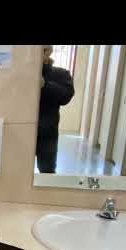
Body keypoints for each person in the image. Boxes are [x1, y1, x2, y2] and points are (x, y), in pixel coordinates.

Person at [37, 45, 75, 173]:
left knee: (47, 172)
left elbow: (66, 97)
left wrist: (45, 85)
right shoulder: (20, 73)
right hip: (22, 133)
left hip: (47, 136)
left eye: (43, 50)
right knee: (18, 172)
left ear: (49, 51)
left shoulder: (61, 74)